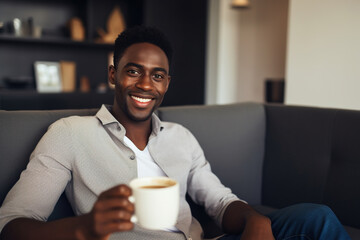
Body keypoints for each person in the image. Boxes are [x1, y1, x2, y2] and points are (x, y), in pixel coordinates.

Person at [0, 26, 351, 240]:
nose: (144, 84)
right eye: (133, 71)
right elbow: (12, 224)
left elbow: (219, 201)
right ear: (112, 75)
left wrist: (254, 220)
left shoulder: (181, 138)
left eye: (157, 75)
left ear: (167, 83)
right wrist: (84, 229)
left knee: (315, 216)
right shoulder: (70, 133)